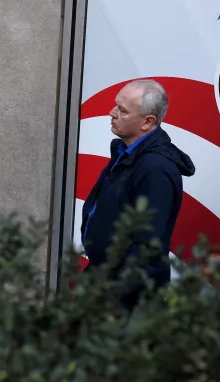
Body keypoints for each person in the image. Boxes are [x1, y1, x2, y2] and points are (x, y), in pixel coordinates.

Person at [80, 78, 195, 305]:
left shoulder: (155, 169)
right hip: (104, 280)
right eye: (116, 105)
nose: (112, 113)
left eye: (122, 110)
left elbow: (147, 245)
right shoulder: (126, 153)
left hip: (126, 295)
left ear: (148, 122)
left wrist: (117, 293)